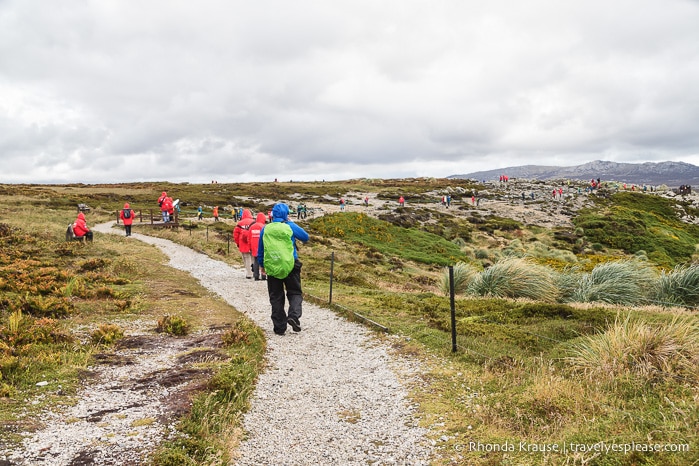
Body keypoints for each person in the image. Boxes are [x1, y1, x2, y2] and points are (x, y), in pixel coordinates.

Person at [257, 203, 309, 335]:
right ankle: (293, 316)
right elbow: (305, 237)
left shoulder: (266, 229)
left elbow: (261, 249)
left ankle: (280, 327)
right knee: (294, 292)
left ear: (273, 215)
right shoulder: (289, 226)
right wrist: (292, 222)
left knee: (276, 295)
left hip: (273, 265)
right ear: (286, 214)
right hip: (291, 264)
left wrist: (262, 264)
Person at [234, 209, 255, 278]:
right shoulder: (254, 222)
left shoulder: (240, 223)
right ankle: (255, 272)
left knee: (246, 258)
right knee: (253, 258)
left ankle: (249, 273)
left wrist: (238, 243)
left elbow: (236, 235)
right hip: (252, 243)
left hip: (243, 244)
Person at [249, 212, 268, 281]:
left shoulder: (252, 227)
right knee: (264, 261)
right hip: (262, 246)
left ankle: (256, 275)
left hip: (253, 246)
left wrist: (250, 246)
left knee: (256, 261)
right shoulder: (263, 227)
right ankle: (263, 275)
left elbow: (249, 237)